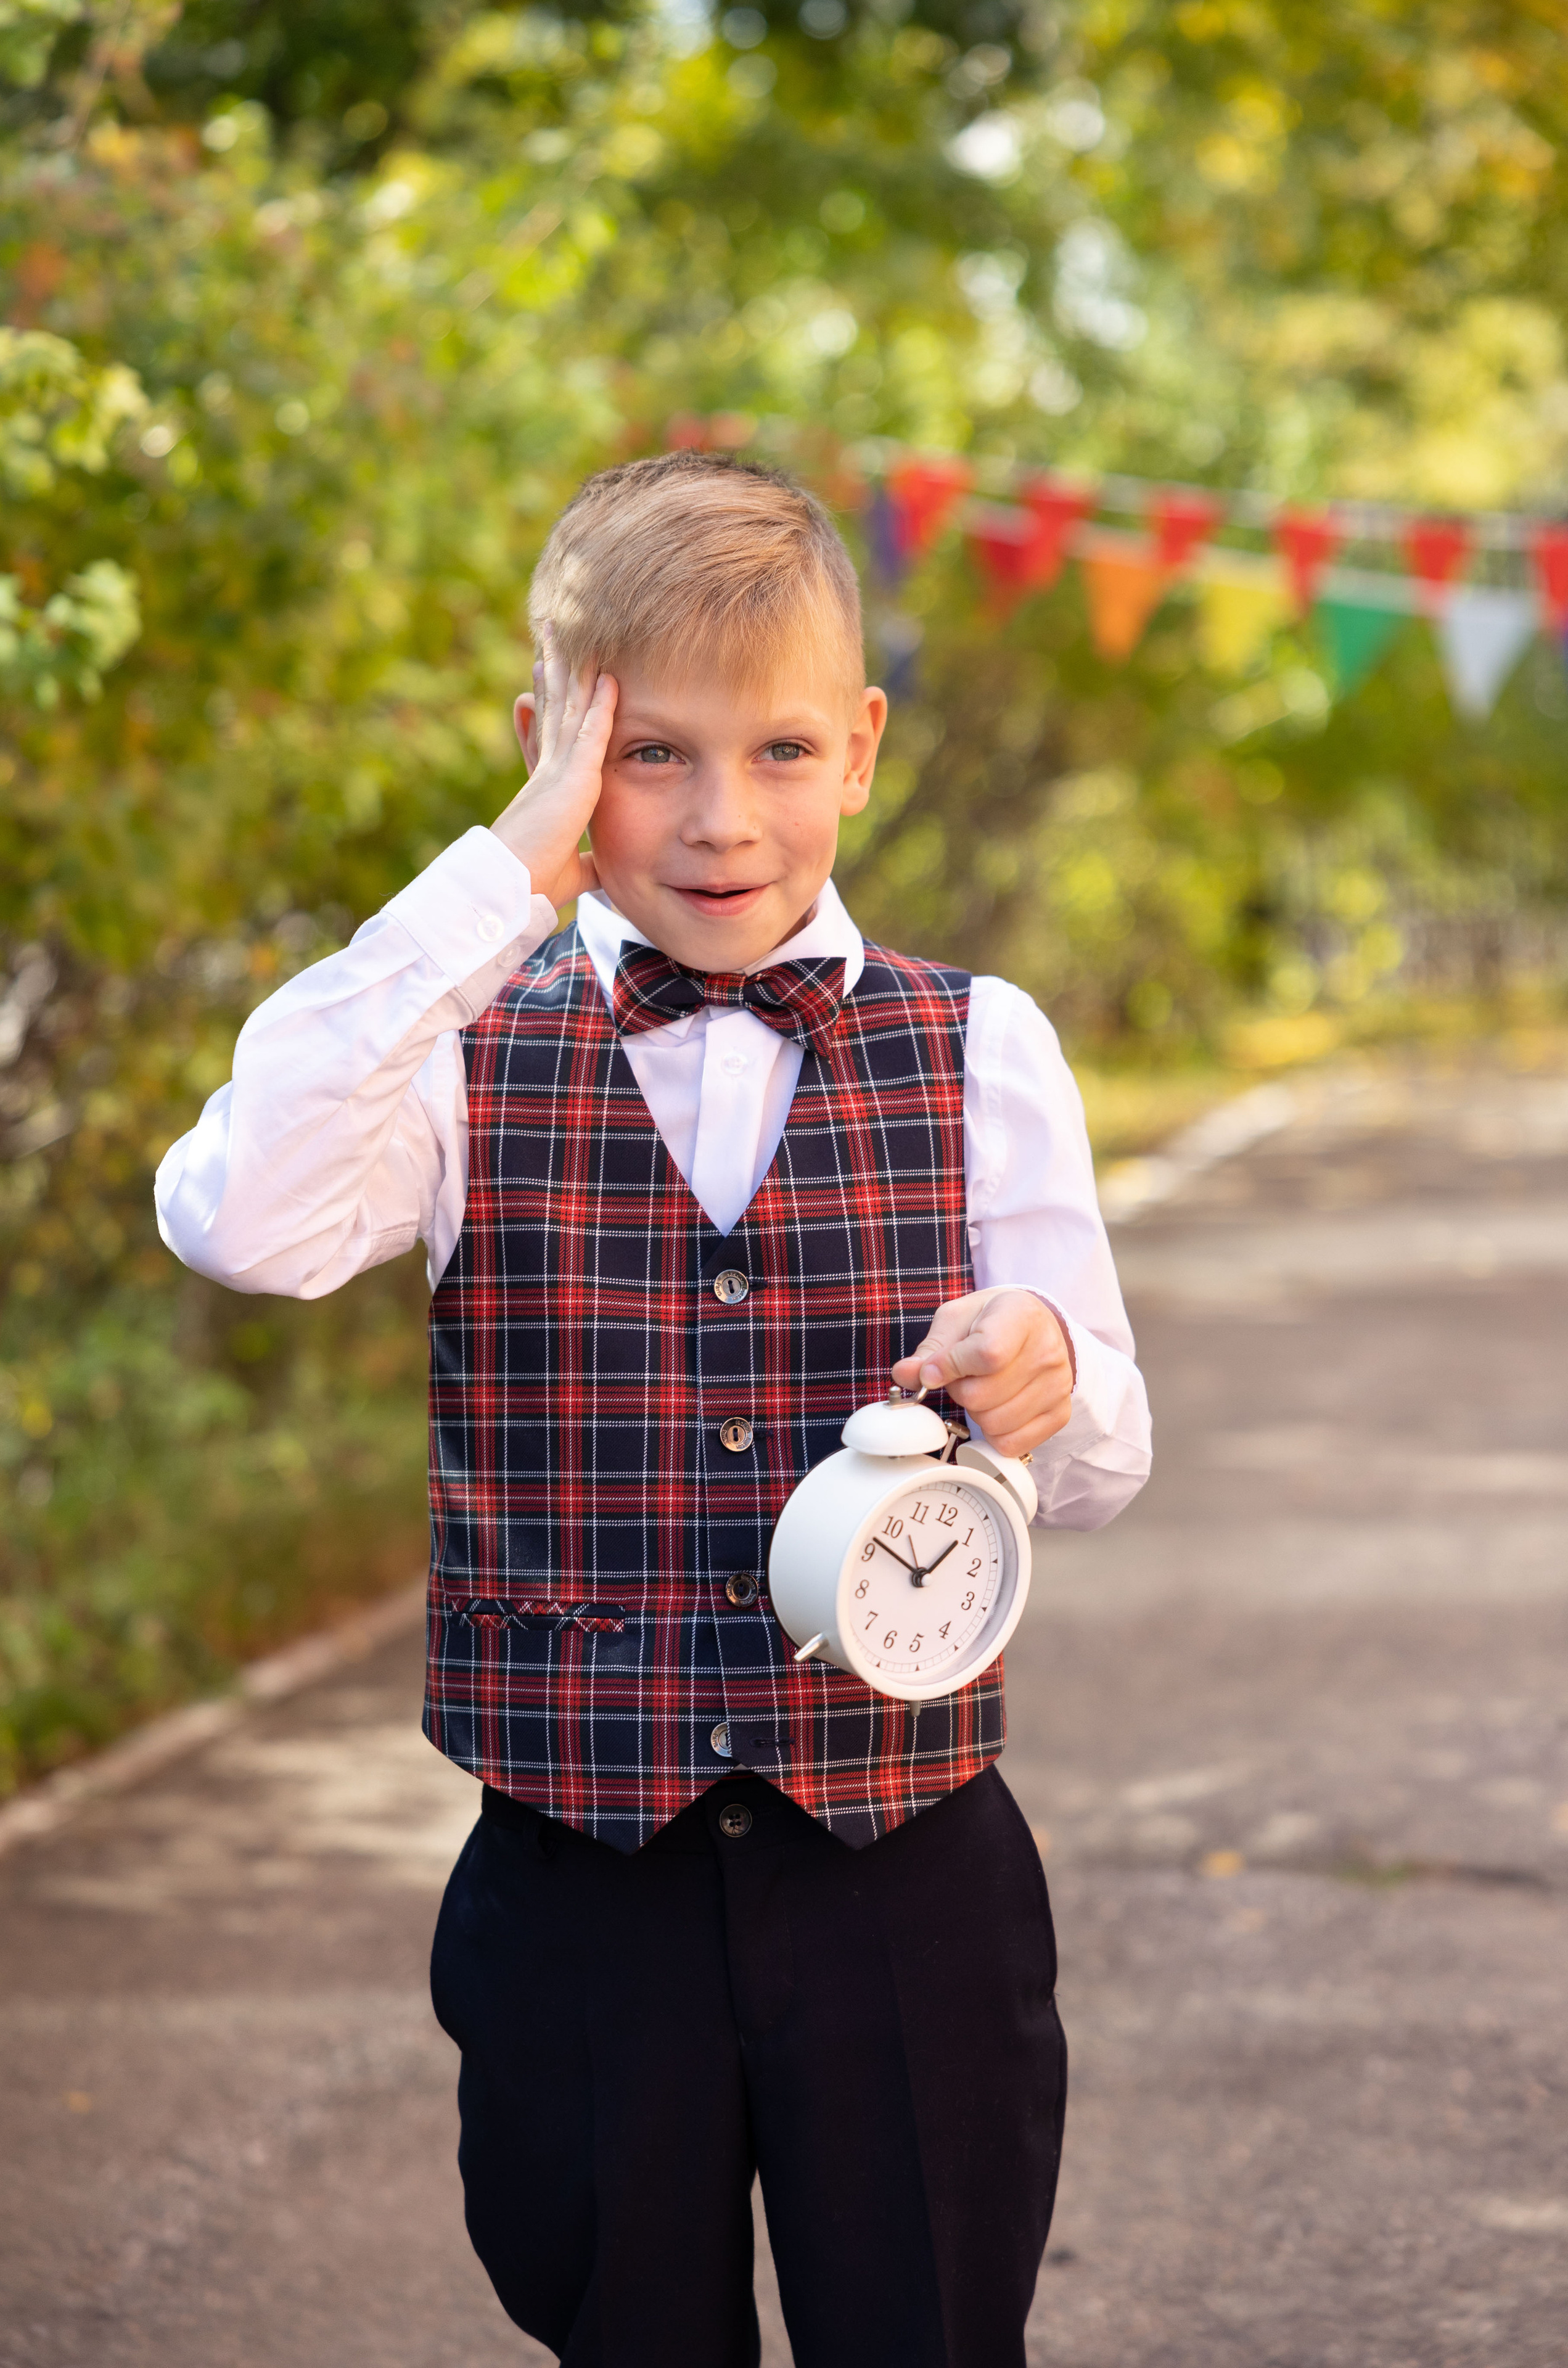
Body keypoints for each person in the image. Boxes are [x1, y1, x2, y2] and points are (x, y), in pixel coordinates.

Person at [156, 451, 1152, 2367]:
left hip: (905, 1874)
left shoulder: (982, 1045)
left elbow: (1102, 1456)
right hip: (576, 1885)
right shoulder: (451, 1055)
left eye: (781, 752)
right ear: (552, 753)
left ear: (862, 749)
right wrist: (488, 893)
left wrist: (1056, 1370)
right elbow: (232, 1219)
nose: (721, 821)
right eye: (650, 756)